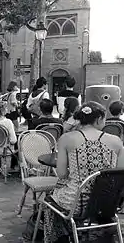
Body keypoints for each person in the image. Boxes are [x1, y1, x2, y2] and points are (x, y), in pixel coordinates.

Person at [44, 102, 124, 243]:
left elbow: (62, 174)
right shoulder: (116, 141)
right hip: (107, 204)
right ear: (99, 119)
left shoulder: (67, 139)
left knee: (49, 199)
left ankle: (62, 236)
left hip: (76, 204)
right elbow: (119, 175)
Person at [0, 100, 18, 170]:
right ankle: (17, 167)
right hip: (6, 149)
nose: (7, 110)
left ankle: (8, 167)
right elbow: (13, 140)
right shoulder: (8, 122)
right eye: (6, 108)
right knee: (20, 144)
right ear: (3, 110)